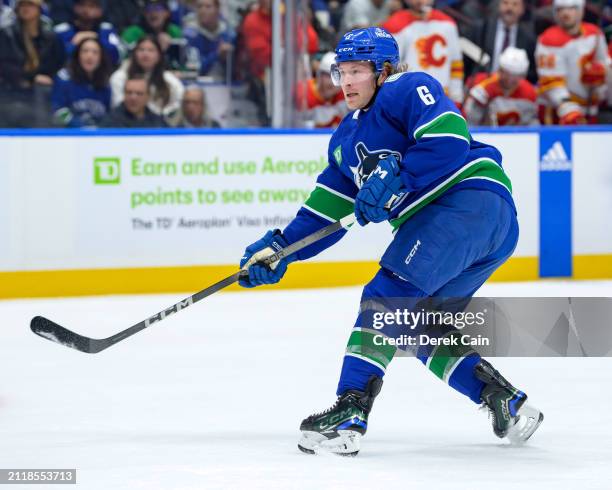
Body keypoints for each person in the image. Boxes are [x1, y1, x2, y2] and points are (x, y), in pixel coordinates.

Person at [237, 27, 543, 456]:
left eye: (357, 70)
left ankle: (350, 408)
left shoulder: (407, 88)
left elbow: (450, 138)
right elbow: (322, 214)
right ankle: (504, 400)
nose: (346, 81)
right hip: (480, 230)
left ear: (383, 71)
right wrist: (281, 249)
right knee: (414, 324)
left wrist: (399, 175)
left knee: (387, 297)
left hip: (466, 200)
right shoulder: (345, 141)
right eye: (340, 71)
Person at [536, 0, 609, 125]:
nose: (565, 13)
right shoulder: (548, 39)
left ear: (581, 10)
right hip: (558, 110)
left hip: (590, 106)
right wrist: (567, 108)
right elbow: (550, 82)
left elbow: (604, 64)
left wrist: (600, 77)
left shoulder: (595, 34)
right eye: (560, 9)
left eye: (571, 8)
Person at [382, 0, 464, 107]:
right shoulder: (394, 25)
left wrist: (456, 97)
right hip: (409, 99)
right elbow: (389, 67)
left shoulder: (448, 24)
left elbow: (456, 63)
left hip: (442, 97)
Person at [0, 0, 65, 127]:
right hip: (11, 90)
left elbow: (58, 62)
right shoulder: (6, 35)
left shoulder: (51, 37)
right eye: (22, 5)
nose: (25, 8)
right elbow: (5, 66)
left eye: (29, 4)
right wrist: (32, 77)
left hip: (43, 92)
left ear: (39, 9)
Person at [110, 35, 185, 126]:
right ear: (134, 53)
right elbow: (119, 104)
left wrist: (161, 117)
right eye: (141, 50)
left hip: (161, 126)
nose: (145, 54)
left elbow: (179, 103)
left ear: (159, 55)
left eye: (151, 50)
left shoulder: (170, 80)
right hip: (126, 124)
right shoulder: (119, 77)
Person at [463, 0, 537, 84]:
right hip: (483, 83)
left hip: (513, 88)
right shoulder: (481, 28)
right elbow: (466, 60)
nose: (509, 8)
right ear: (499, 5)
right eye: (505, 3)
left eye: (515, 4)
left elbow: (532, 70)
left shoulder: (528, 37)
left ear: (522, 9)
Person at [464, 47, 538, 126]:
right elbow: (471, 122)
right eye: (507, 73)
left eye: (516, 75)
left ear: (523, 76)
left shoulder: (529, 93)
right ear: (500, 70)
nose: (510, 79)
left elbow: (530, 126)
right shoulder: (482, 85)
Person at [51, 37, 112, 127]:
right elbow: (58, 112)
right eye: (85, 51)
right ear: (78, 55)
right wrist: (78, 125)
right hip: (68, 135)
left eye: (95, 52)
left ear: (101, 58)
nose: (89, 56)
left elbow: (108, 114)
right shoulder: (64, 79)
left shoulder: (105, 83)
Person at [54, 0, 123, 66]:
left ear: (100, 10)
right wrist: (73, 44)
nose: (86, 10)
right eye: (82, 5)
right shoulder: (62, 30)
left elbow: (117, 57)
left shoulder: (107, 29)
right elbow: (57, 59)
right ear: (75, 7)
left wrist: (97, 39)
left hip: (102, 74)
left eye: (92, 6)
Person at [121, 0, 185, 70]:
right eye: (149, 9)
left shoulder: (175, 31)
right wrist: (157, 46)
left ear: (167, 13)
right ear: (144, 13)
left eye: (158, 8)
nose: (153, 12)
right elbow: (125, 61)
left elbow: (184, 63)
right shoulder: (132, 32)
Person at [183, 0, 235, 79]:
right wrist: (217, 54)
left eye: (208, 7)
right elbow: (195, 69)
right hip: (197, 83)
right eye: (199, 7)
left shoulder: (228, 33)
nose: (203, 11)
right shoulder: (190, 34)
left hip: (224, 84)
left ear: (217, 9)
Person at [296, 51, 348, 128]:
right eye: (328, 76)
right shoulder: (302, 92)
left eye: (337, 77)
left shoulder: (343, 95)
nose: (332, 82)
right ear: (319, 75)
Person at [100, 74, 167, 127]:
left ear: (148, 96)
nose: (133, 97)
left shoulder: (158, 123)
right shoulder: (110, 122)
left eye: (139, 93)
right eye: (129, 92)